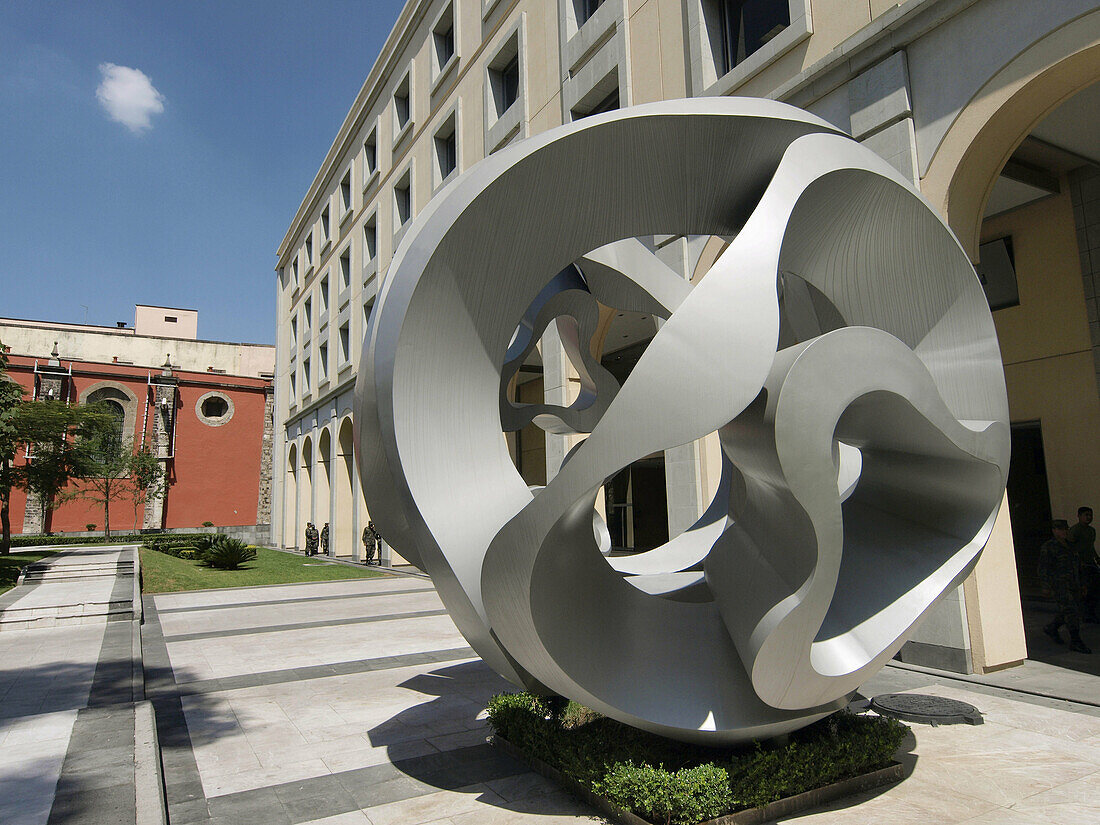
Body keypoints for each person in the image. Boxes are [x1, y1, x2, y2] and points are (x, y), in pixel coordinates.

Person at [1039, 519, 1092, 653]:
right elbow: (1044, 568)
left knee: (1072, 610)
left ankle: (1052, 628)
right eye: (1059, 529)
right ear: (1054, 530)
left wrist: (1083, 584)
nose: (1063, 531)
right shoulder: (1049, 547)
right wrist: (1045, 586)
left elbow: (1079, 566)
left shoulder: (1070, 545)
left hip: (1074, 583)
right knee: (1071, 611)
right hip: (1060, 585)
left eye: (1065, 529)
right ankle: (1076, 640)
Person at [1069, 506, 1097, 622]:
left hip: (1090, 563)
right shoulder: (1075, 530)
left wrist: (1096, 558)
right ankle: (1083, 615)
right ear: (1079, 516)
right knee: (1082, 591)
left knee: (1092, 590)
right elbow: (1070, 547)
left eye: (1090, 515)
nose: (1088, 517)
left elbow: (1090, 547)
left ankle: (1090, 614)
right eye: (1086, 515)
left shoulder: (1091, 531)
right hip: (1079, 565)